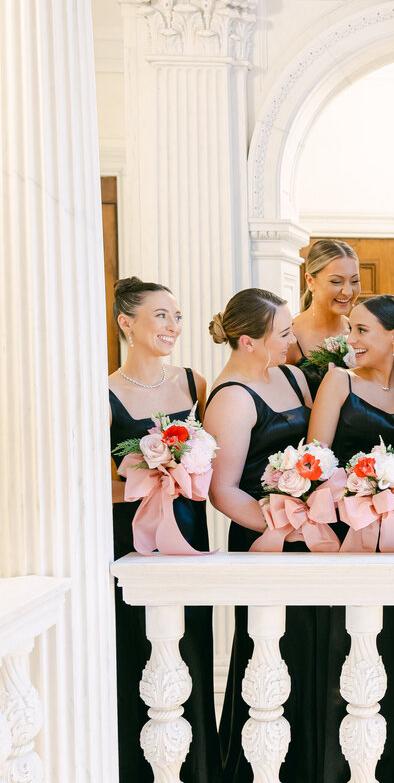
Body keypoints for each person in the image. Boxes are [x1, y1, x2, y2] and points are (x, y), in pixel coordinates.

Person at [203, 288, 323, 783]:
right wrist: (283, 525)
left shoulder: (293, 376)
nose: (292, 341)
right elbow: (222, 491)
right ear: (249, 341)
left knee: (316, 646)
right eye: (283, 333)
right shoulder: (231, 399)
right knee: (271, 652)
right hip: (265, 540)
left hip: (310, 532)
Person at [306, 294, 394, 782]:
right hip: (345, 529)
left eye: (362, 331)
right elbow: (315, 460)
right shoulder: (338, 381)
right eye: (349, 329)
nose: (350, 340)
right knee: (347, 644)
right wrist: (354, 492)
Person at [108, 277, 218, 783]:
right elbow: (95, 483)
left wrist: (186, 469)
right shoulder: (103, 394)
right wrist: (149, 474)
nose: (173, 326)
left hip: (189, 534)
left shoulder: (194, 383)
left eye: (177, 316)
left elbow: (217, 462)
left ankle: (197, 769)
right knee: (138, 647)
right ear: (126, 323)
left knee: (191, 644)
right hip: (131, 537)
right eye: (160, 316)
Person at [287, 238, 361, 393]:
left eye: (355, 281)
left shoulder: (361, 332)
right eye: (336, 281)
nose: (348, 291)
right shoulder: (289, 338)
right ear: (310, 281)